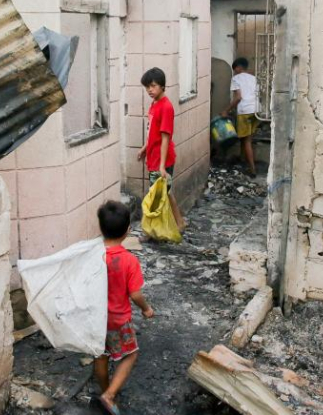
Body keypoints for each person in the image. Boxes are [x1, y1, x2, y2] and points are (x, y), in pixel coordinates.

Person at [94, 201, 154, 415]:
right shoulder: (129, 260)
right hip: (118, 320)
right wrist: (146, 309)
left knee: (100, 355)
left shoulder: (94, 257)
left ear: (100, 228)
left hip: (95, 319)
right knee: (130, 355)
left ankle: (106, 390)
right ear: (128, 230)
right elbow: (135, 293)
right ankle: (109, 395)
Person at [137, 67, 186, 232]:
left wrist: (162, 166)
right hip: (154, 156)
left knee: (156, 196)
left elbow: (166, 138)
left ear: (162, 86)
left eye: (153, 86)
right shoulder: (155, 103)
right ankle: (179, 223)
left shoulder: (166, 107)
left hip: (162, 158)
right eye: (147, 87)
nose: (150, 90)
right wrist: (145, 147)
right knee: (165, 192)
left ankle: (152, 231)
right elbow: (153, 131)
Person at [221, 57, 259, 177]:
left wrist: (226, 110)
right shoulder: (254, 78)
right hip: (257, 110)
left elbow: (238, 97)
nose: (234, 71)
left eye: (234, 69)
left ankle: (252, 169)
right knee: (247, 138)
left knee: (246, 140)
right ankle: (244, 161)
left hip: (245, 110)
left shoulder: (236, 78)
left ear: (238, 67)